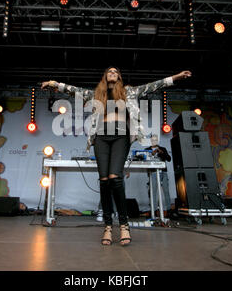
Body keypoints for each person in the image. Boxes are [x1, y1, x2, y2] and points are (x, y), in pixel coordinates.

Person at [41, 67, 191, 246]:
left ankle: (124, 224)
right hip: (101, 138)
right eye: (109, 71)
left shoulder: (129, 91)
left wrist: (177, 77)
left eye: (115, 71)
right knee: (104, 180)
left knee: (115, 178)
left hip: (121, 136)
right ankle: (107, 226)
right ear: (105, 76)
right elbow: (73, 90)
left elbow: (155, 85)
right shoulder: (96, 94)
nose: (112, 72)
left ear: (119, 76)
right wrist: (53, 84)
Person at [145, 135, 172, 217]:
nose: (154, 141)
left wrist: (162, 153)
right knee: (153, 192)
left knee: (166, 191)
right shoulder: (147, 150)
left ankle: (169, 210)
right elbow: (144, 161)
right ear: (151, 141)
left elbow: (169, 159)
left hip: (163, 172)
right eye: (153, 140)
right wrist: (151, 155)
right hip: (153, 173)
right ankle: (154, 211)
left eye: (156, 140)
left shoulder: (162, 149)